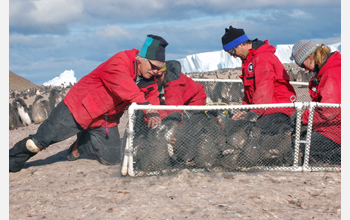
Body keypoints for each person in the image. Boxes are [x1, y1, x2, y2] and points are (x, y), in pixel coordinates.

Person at [9, 34, 168, 172]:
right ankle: (10, 162)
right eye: (153, 66)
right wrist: (148, 109)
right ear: (141, 59)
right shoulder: (120, 61)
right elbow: (126, 87)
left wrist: (155, 120)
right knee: (39, 142)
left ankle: (83, 144)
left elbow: (152, 101)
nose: (155, 71)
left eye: (159, 69)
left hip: (105, 121)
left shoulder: (149, 80)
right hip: (78, 109)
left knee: (112, 158)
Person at [221, 26, 297, 135]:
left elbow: (264, 89)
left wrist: (254, 113)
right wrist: (245, 111)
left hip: (278, 108)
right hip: (263, 108)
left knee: (255, 132)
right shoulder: (247, 60)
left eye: (233, 52)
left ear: (241, 43)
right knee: (236, 126)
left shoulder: (262, 57)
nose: (234, 56)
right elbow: (249, 91)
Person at [291, 40, 341, 164]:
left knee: (299, 145)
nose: (305, 70)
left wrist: (303, 117)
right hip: (330, 127)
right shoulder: (326, 70)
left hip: (336, 130)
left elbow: (329, 110)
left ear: (309, 57)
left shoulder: (332, 72)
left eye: (303, 65)